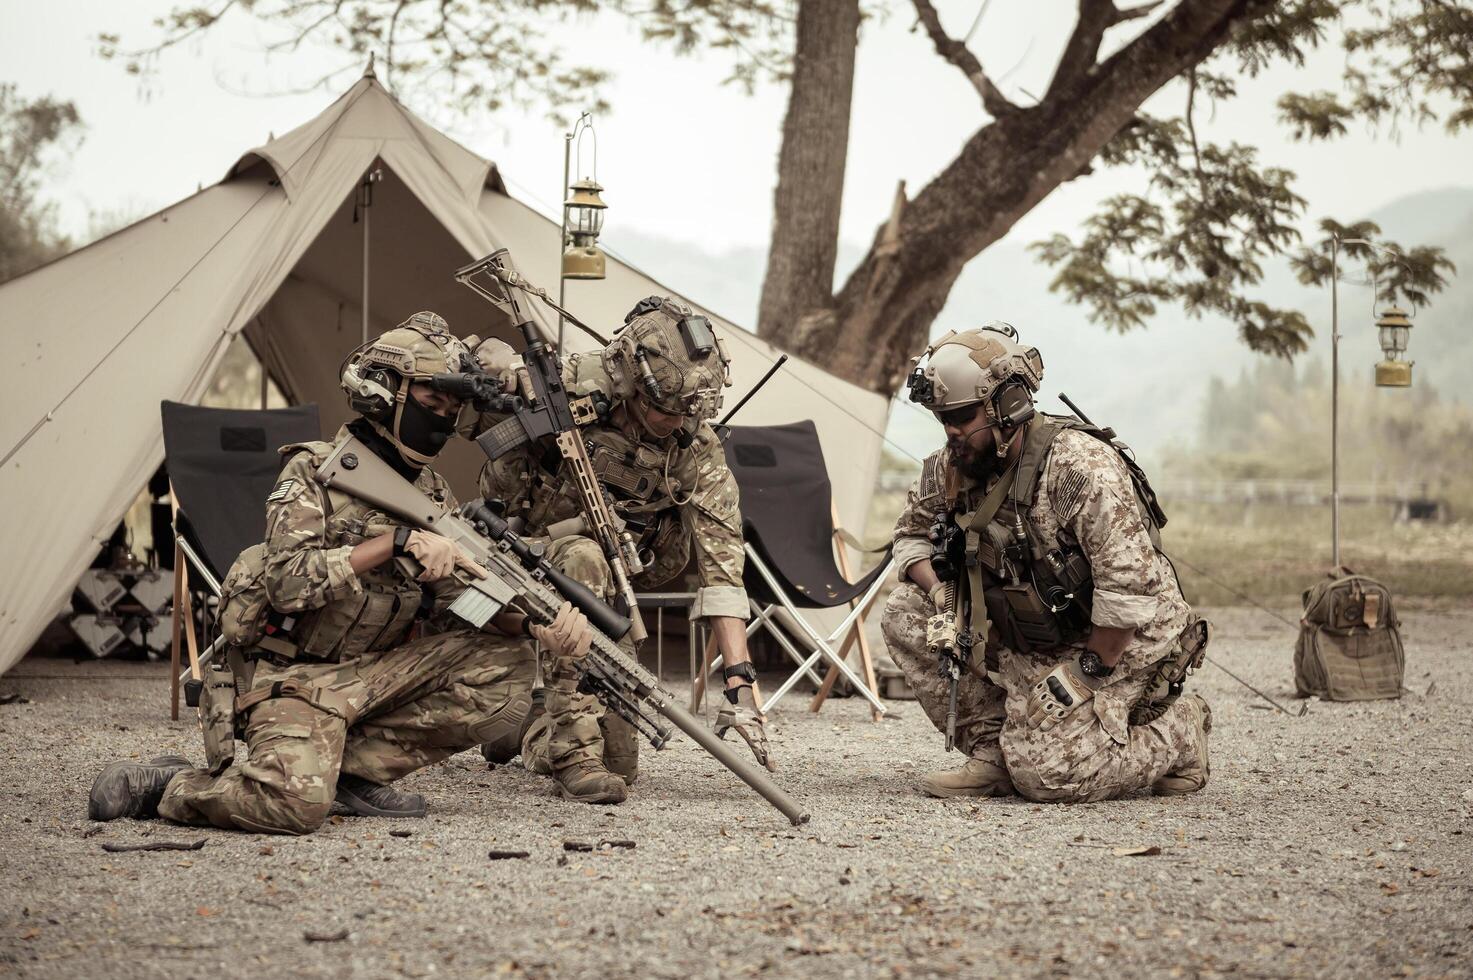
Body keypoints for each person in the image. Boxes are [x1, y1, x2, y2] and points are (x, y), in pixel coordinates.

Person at [88, 312, 593, 834]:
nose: (441, 419)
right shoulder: (314, 471)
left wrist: (532, 627)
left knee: (506, 667)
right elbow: (286, 583)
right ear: (384, 394)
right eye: (429, 402)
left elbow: (458, 605)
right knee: (294, 808)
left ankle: (347, 772)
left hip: (372, 679)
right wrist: (391, 544)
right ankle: (174, 786)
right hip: (289, 676)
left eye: (450, 409)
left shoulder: (436, 496)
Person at [880, 323, 1211, 803]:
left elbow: (1128, 590)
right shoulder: (948, 467)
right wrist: (941, 596)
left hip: (1120, 641)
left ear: (1007, 406)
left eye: (962, 416)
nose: (951, 431)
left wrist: (1085, 673)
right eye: (942, 418)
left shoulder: (1079, 469)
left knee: (1050, 778)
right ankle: (994, 752)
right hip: (1029, 632)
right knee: (906, 612)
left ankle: (1181, 732)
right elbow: (909, 538)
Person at [469, 296, 769, 805]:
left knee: (622, 766)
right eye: (662, 409)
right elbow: (458, 378)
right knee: (583, 555)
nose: (674, 422)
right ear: (629, 382)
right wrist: (492, 361)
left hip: (617, 577)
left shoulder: (694, 442)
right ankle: (571, 754)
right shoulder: (565, 385)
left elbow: (722, 559)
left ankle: (524, 725)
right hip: (535, 558)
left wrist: (739, 678)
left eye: (686, 411)